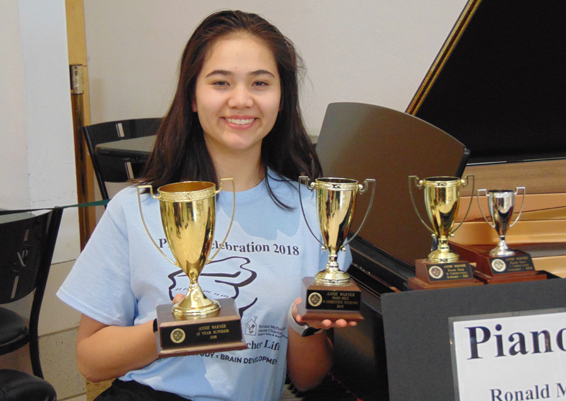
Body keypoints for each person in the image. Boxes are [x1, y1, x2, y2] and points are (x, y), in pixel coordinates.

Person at [57, 10, 356, 401]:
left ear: (282, 98)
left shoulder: (316, 212)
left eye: (260, 83)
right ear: (193, 97)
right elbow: (90, 361)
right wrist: (176, 329)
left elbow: (306, 380)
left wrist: (304, 326)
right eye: (220, 82)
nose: (241, 99)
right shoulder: (135, 207)